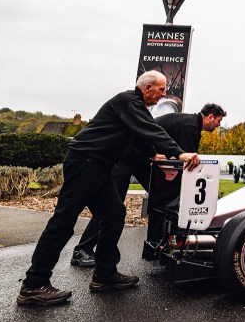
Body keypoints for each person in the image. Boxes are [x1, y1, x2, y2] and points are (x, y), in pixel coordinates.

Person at [17, 71, 200, 306]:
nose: (164, 94)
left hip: (99, 166)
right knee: (63, 222)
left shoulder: (134, 108)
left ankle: (105, 275)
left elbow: (139, 135)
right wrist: (180, 152)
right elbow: (149, 129)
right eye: (162, 89)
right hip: (85, 161)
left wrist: (154, 154)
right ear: (147, 88)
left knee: (114, 214)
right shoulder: (128, 101)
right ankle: (34, 284)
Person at [70, 103, 226, 267]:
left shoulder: (190, 124)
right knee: (111, 205)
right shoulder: (189, 126)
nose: (219, 125)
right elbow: (186, 162)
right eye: (218, 120)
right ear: (210, 117)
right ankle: (82, 250)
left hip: (144, 159)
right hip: (126, 157)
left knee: (162, 199)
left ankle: (155, 245)